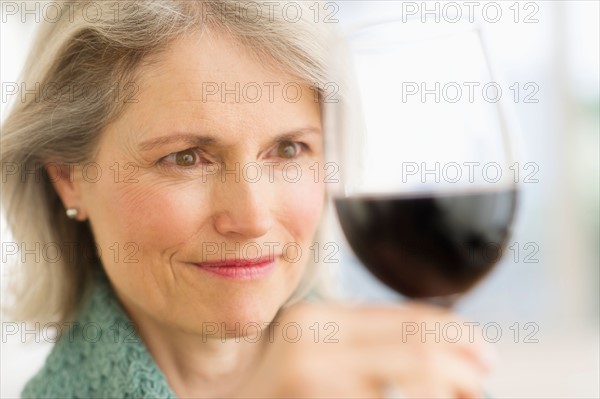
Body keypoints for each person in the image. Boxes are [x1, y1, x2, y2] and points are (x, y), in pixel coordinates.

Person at [1, 1, 494, 397]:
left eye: (287, 149)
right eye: (187, 158)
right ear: (67, 176)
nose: (253, 218)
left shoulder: (394, 380)